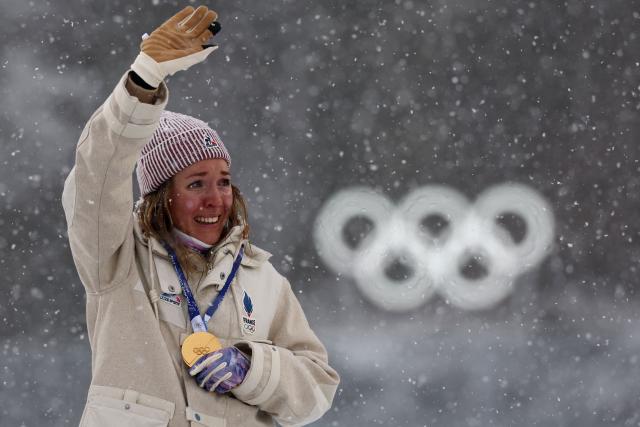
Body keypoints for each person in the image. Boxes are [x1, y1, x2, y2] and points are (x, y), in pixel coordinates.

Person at [62, 5, 339, 427]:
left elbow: (317, 388)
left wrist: (252, 368)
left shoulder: (262, 280)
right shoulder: (117, 258)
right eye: (195, 184)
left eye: (223, 181)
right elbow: (95, 179)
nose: (215, 199)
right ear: (161, 197)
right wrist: (144, 78)